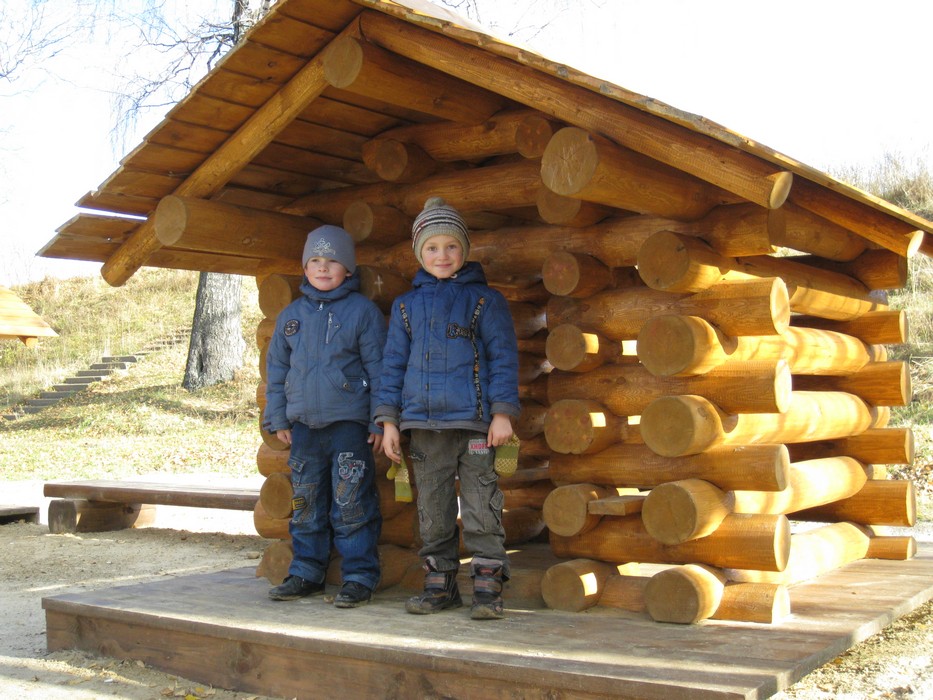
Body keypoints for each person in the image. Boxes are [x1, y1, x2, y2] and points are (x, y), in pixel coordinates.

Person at [373, 197, 520, 620]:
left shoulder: (485, 302)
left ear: (464, 250)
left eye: (451, 247)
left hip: (476, 427)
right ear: (420, 252)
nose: (442, 255)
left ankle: (489, 587)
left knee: (481, 505)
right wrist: (388, 422)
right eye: (432, 248)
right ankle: (440, 584)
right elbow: (392, 367)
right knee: (433, 509)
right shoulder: (405, 307)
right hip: (423, 430)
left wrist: (503, 413)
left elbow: (504, 357)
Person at [263, 224, 386, 608]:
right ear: (304, 266)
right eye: (315, 259)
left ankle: (359, 576)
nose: (323, 266)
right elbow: (277, 370)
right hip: (304, 428)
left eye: (332, 260)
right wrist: (278, 416)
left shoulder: (362, 312)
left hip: (349, 425)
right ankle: (306, 572)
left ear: (348, 269)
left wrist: (380, 419)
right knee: (306, 502)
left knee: (351, 502)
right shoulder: (290, 317)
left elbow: (380, 367)